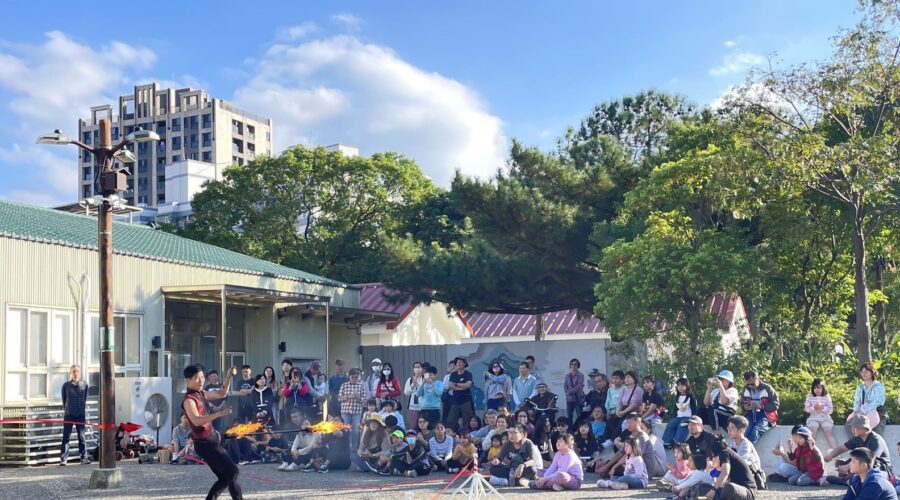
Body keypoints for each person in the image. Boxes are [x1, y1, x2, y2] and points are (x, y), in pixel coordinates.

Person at [181, 364, 243, 500]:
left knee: (224, 478)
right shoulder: (189, 400)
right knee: (233, 472)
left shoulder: (201, 394)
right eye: (197, 378)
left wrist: (228, 376)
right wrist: (218, 414)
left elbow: (222, 393)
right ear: (188, 380)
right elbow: (196, 420)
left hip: (212, 440)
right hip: (205, 445)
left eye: (202, 377)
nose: (201, 381)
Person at [825, 414, 892, 481]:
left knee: (861, 464)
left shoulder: (876, 440)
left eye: (856, 427)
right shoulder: (858, 438)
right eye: (852, 427)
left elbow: (870, 459)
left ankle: (849, 480)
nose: (853, 430)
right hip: (864, 465)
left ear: (865, 428)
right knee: (841, 463)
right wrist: (830, 456)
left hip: (880, 469)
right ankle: (848, 480)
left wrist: (848, 466)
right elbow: (842, 448)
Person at [60, 364, 90, 465]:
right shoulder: (66, 386)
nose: (75, 373)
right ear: (70, 373)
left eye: (77, 371)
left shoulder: (84, 385)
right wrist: (68, 409)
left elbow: (84, 399)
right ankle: (64, 459)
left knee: (82, 437)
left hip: (80, 414)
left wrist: (80, 408)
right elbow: (64, 400)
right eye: (73, 371)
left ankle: (84, 457)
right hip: (69, 414)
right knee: (66, 437)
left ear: (80, 373)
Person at [848, 362, 887, 435]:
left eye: (866, 372)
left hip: (878, 413)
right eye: (862, 372)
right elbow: (857, 401)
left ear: (872, 373)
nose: (863, 374)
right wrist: (856, 411)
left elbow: (876, 402)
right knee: (849, 425)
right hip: (861, 413)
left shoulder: (879, 386)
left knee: (876, 433)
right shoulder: (860, 387)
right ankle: (857, 441)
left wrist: (863, 411)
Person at [741, 371, 780, 444]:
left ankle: (748, 449)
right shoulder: (746, 389)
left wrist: (762, 406)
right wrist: (745, 407)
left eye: (752, 384)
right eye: (748, 384)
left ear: (757, 379)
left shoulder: (768, 388)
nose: (751, 386)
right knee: (744, 431)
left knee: (755, 431)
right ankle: (742, 449)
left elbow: (776, 404)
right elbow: (741, 403)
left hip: (765, 416)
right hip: (750, 415)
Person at [702, 370, 739, 434]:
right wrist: (709, 388)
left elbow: (725, 402)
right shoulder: (716, 391)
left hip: (726, 415)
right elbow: (706, 403)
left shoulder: (733, 391)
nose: (720, 380)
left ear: (728, 381)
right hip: (714, 413)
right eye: (719, 379)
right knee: (701, 410)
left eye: (722, 379)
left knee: (713, 409)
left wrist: (721, 386)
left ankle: (716, 431)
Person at [663, 377, 697, 448]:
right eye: (678, 385)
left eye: (682, 385)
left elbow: (694, 408)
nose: (680, 387)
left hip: (688, 417)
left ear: (687, 386)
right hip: (678, 417)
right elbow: (675, 409)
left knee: (682, 425)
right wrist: (674, 417)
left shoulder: (691, 397)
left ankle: (677, 441)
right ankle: (666, 442)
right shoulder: (677, 397)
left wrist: (694, 418)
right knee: (670, 424)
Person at [805, 378, 837, 450]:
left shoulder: (827, 397)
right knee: (813, 428)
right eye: (815, 388)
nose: (817, 390)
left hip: (825, 416)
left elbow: (830, 410)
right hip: (813, 417)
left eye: (819, 388)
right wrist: (813, 407)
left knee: (828, 429)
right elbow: (806, 409)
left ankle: (835, 450)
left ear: (823, 388)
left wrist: (822, 408)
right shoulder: (810, 396)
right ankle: (809, 450)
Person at [338, 368, 366, 449]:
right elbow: (339, 398)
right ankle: (345, 447)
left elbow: (365, 401)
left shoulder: (361, 386)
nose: (354, 379)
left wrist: (358, 397)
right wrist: (348, 397)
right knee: (345, 430)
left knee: (356, 431)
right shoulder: (344, 385)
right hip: (345, 411)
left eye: (356, 377)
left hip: (357, 411)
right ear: (349, 377)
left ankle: (354, 449)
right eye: (352, 377)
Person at [445, 357, 474, 431]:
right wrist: (461, 387)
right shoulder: (453, 374)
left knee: (467, 420)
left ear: (464, 364)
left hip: (466, 400)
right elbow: (450, 385)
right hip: (455, 400)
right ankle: (451, 434)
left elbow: (468, 385)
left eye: (460, 362)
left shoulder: (468, 374)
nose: (458, 364)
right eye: (457, 362)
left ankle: (466, 434)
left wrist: (456, 384)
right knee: (450, 420)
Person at [602, 370, 624, 446]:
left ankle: (613, 440)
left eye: (617, 378)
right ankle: (609, 440)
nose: (614, 380)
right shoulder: (610, 390)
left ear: (622, 380)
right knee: (609, 424)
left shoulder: (624, 389)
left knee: (615, 426)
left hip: (620, 411)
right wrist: (608, 412)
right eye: (613, 378)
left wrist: (619, 411)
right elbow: (607, 402)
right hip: (611, 412)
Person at [563, 358, 585, 425]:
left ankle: (580, 428)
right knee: (569, 416)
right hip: (569, 399)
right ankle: (570, 428)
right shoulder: (567, 375)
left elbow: (579, 386)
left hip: (578, 398)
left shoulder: (580, 375)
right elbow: (565, 385)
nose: (573, 366)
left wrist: (569, 392)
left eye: (575, 364)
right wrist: (567, 394)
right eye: (572, 364)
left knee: (579, 415)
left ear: (578, 366)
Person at [404, 361, 425, 428]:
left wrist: (419, 385)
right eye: (415, 367)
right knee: (413, 426)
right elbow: (406, 393)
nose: (417, 369)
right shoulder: (410, 380)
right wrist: (413, 385)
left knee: (424, 426)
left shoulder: (425, 379)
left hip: (424, 406)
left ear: (422, 368)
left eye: (419, 367)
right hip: (413, 406)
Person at [205, 370, 227, 435]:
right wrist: (212, 406)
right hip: (209, 411)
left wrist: (220, 407)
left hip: (220, 411)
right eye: (212, 376)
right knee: (209, 427)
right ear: (209, 377)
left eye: (214, 376)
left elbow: (225, 398)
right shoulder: (207, 387)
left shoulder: (222, 386)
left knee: (218, 428)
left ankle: (218, 439)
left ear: (218, 376)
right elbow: (205, 398)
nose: (213, 378)